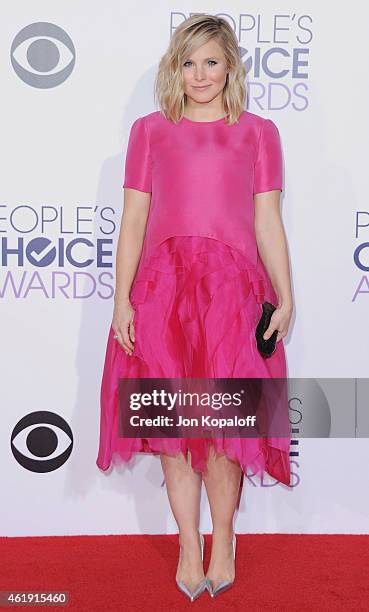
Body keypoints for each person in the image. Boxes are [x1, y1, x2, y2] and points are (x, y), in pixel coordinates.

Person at [96, 14, 293, 602]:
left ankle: (224, 538)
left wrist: (286, 294)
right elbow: (133, 221)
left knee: (226, 425)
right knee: (174, 423)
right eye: (188, 62)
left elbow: (267, 220)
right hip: (162, 293)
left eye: (211, 61)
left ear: (230, 65)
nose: (200, 74)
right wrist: (121, 299)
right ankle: (188, 543)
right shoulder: (150, 131)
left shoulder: (259, 132)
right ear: (173, 68)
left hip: (233, 296)